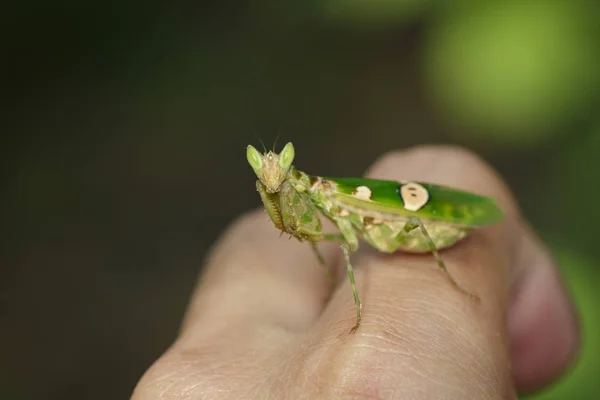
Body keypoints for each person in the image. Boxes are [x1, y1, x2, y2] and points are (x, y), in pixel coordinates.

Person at [132, 146, 578, 399]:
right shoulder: (305, 199)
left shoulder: (335, 196)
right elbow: (303, 231)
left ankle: (442, 279)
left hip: (431, 223)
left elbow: (343, 245)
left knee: (365, 243)